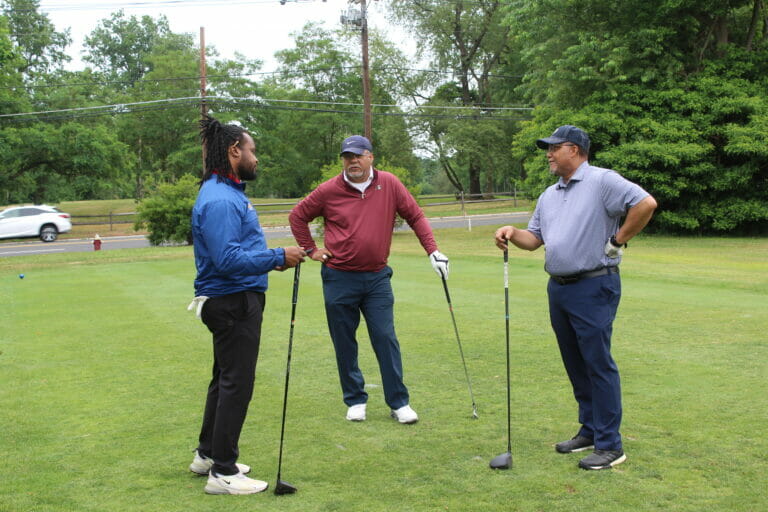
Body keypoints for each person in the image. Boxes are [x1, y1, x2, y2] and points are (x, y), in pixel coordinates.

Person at [494, 125, 657, 470]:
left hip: (595, 285)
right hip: (559, 288)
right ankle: (591, 429)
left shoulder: (602, 180)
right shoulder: (550, 195)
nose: (549, 154)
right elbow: (534, 239)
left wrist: (618, 240)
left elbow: (645, 203)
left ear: (575, 150)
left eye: (555, 148)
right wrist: (511, 232)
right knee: (575, 362)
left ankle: (611, 445)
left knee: (597, 362)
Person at [288, 135, 449, 424]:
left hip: (376, 278)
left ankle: (399, 402)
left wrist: (432, 251)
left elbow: (416, 216)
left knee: (385, 338)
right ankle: (355, 399)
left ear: (370, 157)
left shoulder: (389, 183)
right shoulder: (329, 190)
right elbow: (298, 216)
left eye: (358, 156)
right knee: (344, 340)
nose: (352, 161)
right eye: (347, 157)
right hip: (339, 278)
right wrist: (311, 250)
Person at [187, 115, 306, 494]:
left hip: (233, 298)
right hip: (232, 301)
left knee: (223, 381)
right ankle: (222, 471)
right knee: (236, 383)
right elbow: (227, 259)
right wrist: (276, 256)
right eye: (252, 150)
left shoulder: (226, 191)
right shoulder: (221, 199)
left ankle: (208, 453)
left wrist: (275, 259)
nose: (256, 158)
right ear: (234, 150)